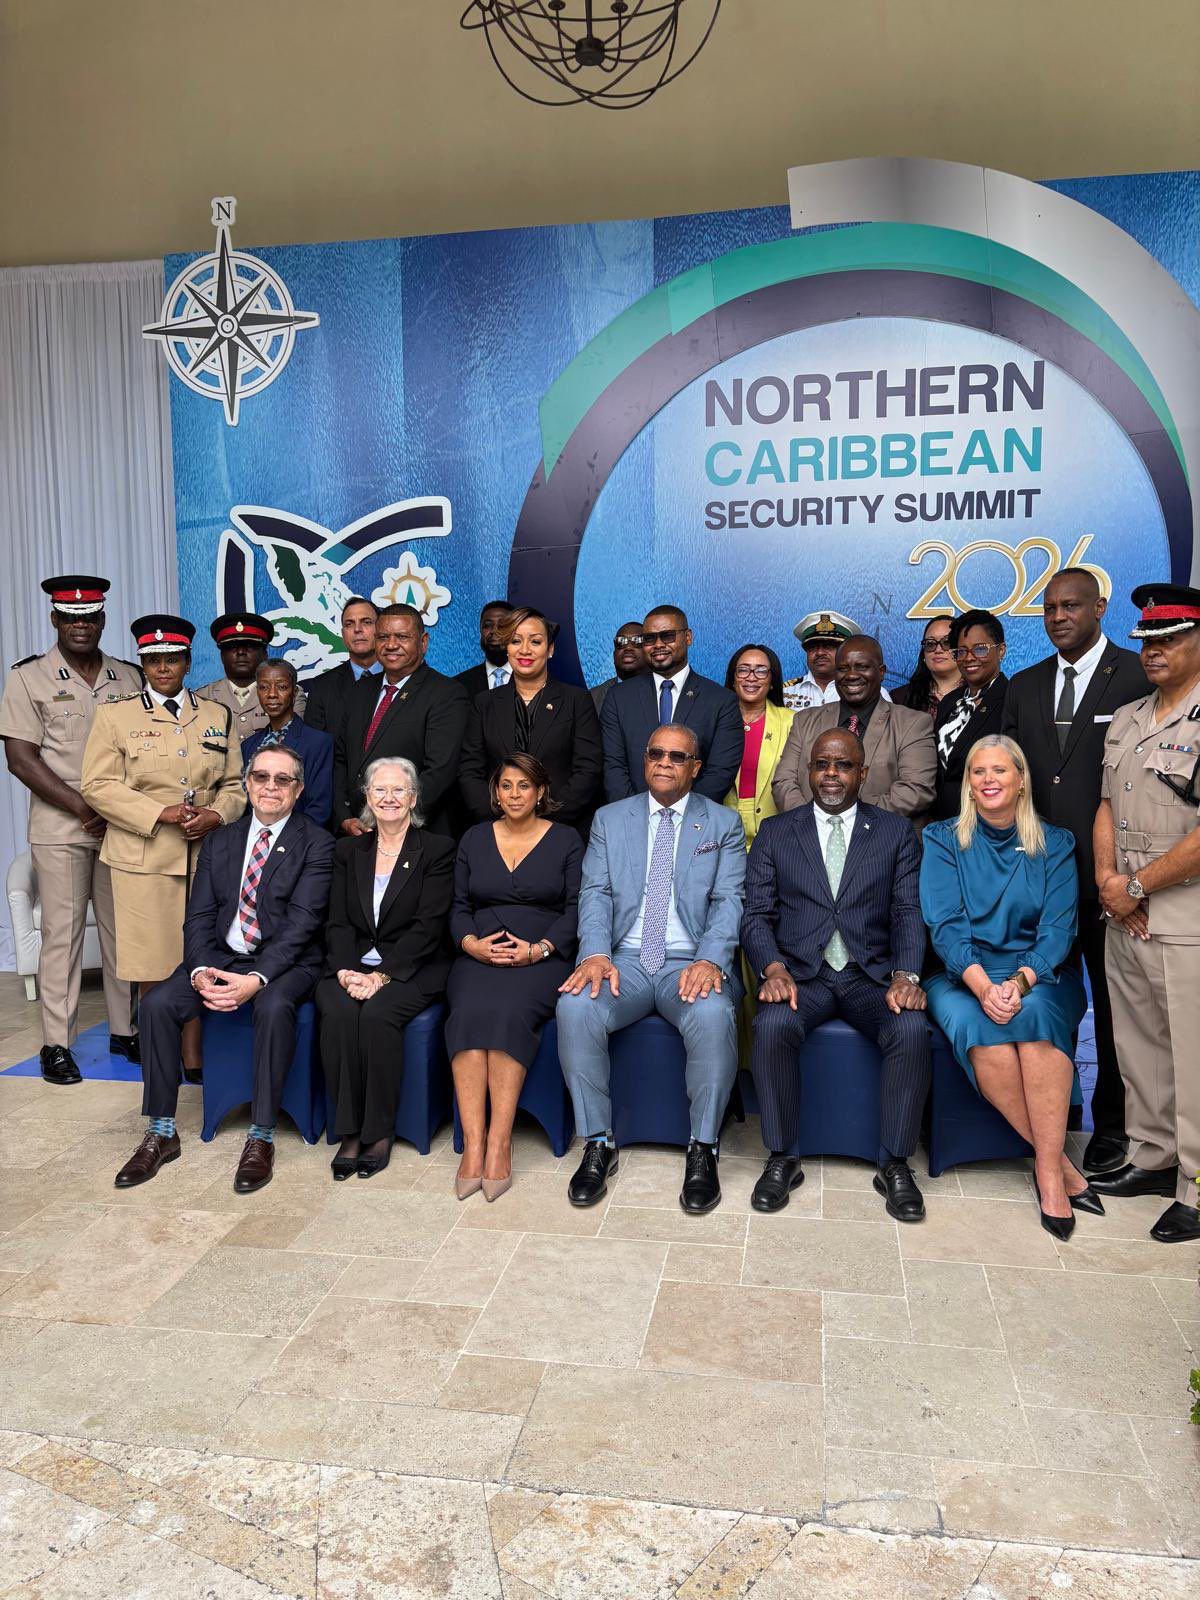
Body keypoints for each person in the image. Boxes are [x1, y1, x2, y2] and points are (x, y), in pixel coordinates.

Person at [112, 744, 334, 1193]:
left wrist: (256, 978)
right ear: (247, 784)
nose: (270, 787)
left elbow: (302, 925)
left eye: (283, 779)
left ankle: (261, 1136)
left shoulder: (318, 843)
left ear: (298, 790)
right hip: (218, 957)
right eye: (261, 777)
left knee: (272, 1007)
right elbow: (197, 916)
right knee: (157, 1004)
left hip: (286, 963)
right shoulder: (221, 840)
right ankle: (161, 1130)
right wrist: (199, 971)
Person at [741, 728, 931, 1219]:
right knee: (772, 1025)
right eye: (822, 764)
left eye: (843, 765)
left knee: (911, 1029)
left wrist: (906, 976)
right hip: (803, 976)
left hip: (870, 976)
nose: (831, 774)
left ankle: (894, 1162)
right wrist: (773, 968)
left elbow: (908, 911)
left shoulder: (893, 833)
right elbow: (756, 915)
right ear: (808, 771)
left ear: (862, 773)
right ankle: (782, 1156)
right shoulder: (776, 833)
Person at [556, 723, 746, 1214]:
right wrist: (594, 953)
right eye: (656, 753)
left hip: (690, 960)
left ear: (695, 768)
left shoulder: (722, 823)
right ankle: (598, 1142)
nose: (664, 763)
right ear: (644, 760)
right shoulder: (610, 819)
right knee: (575, 1006)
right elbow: (595, 893)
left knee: (713, 1014)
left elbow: (729, 900)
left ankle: (703, 1147)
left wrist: (710, 959)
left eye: (677, 757)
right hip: (624, 959)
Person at [1001, 568, 1147, 1173]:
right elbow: (1009, 777)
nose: (1059, 617)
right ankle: (1050, 1116)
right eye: (1050, 608)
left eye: (1071, 606)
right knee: (1045, 1000)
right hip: (1038, 880)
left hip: (1112, 883)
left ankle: (1114, 1126)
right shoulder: (1025, 684)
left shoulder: (1137, 675)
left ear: (1100, 607)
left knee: (1117, 1011)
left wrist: (1127, 880)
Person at [920, 736, 1093, 1238]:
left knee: (1034, 1017)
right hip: (962, 974)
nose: (988, 780)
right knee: (982, 1027)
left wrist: (1019, 981)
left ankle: (1047, 1176)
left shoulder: (1055, 843)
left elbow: (1058, 930)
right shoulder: (942, 839)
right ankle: (1057, 1165)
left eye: (999, 770)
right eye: (978, 772)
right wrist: (982, 987)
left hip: (1039, 973)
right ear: (968, 784)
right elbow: (946, 926)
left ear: (1021, 780)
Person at [81, 615, 247, 1081]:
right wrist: (159, 813)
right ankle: (160, 1058)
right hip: (143, 859)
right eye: (153, 660)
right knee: (152, 963)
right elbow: (97, 785)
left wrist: (217, 815)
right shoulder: (116, 715)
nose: (162, 668)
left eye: (171, 659)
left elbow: (235, 785)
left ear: (188, 662)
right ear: (143, 664)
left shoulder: (216, 715)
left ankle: (193, 1055)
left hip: (205, 859)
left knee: (201, 957)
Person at [1089, 583, 1200, 1245]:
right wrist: (1111, 884)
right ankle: (1155, 1157)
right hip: (1125, 910)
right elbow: (1107, 804)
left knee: (1193, 1053)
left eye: (1170, 640)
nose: (1154, 652)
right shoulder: (1129, 716)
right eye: (1147, 642)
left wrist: (1136, 885)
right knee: (1141, 1046)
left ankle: (1197, 1185)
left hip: (1185, 914)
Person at [0, 576, 143, 1084]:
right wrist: (83, 806)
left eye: (89, 617)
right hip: (61, 825)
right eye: (69, 617)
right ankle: (56, 1044)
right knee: (61, 935)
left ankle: (126, 1029)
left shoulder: (128, 676)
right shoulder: (28, 678)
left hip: (120, 825)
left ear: (102, 620)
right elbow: (21, 758)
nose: (80, 626)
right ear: (55, 620)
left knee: (123, 931)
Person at [447, 754, 582, 1200]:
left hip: (541, 958)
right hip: (478, 955)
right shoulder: (473, 838)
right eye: (506, 786)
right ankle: (474, 1145)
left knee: (507, 1011)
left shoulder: (566, 840)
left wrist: (539, 949)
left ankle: (500, 1143)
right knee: (467, 1011)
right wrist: (471, 943)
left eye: (524, 786)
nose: (515, 794)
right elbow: (458, 906)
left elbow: (577, 908)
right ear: (496, 792)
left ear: (540, 792)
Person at [317, 756, 454, 1179]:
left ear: (413, 798)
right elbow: (337, 921)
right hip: (351, 964)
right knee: (338, 1012)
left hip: (412, 967)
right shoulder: (348, 850)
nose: (389, 797)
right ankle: (349, 1132)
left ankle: (378, 1132)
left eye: (399, 790)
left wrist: (381, 975)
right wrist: (345, 971)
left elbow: (428, 926)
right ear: (367, 797)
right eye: (380, 789)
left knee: (377, 1015)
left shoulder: (436, 849)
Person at [458, 607, 602, 834]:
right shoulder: (484, 703)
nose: (524, 650)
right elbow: (469, 770)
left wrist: (543, 821)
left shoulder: (576, 700)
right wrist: (500, 818)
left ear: (550, 649)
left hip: (558, 829)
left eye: (535, 642)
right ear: (507, 648)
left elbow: (588, 770)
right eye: (516, 641)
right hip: (496, 829)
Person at [332, 603, 469, 838]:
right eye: (383, 637)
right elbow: (341, 759)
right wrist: (344, 815)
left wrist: (387, 817)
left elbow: (439, 772)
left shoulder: (447, 694)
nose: (391, 645)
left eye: (402, 637)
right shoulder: (360, 690)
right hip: (355, 833)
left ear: (423, 642)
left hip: (413, 834)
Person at [771, 636, 936, 819]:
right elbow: (783, 782)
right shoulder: (804, 720)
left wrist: (849, 821)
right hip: (809, 832)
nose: (851, 675)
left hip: (883, 834)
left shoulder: (913, 724)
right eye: (842, 668)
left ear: (881, 672)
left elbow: (916, 789)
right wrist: (814, 823)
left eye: (862, 667)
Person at [599, 604, 742, 804]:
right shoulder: (618, 697)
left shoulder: (721, 701)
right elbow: (613, 766)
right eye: (649, 638)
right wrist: (635, 815)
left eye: (667, 636)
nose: (658, 644)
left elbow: (720, 772)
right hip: (630, 817)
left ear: (688, 637)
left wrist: (680, 815)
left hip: (695, 819)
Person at [932, 609, 1009, 820]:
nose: (969, 658)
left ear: (1001, 650)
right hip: (943, 822)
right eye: (961, 651)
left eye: (980, 649)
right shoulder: (950, 702)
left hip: (987, 821)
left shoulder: (1013, 699)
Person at [241, 659, 334, 828]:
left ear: (295, 692)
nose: (272, 694)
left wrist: (281, 838)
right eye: (264, 687)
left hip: (300, 838)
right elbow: (246, 807)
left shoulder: (318, 742)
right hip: (256, 837)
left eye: (282, 687)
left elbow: (319, 808)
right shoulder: (249, 745)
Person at [723, 644, 795, 849]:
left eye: (761, 671)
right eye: (743, 670)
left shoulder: (791, 722)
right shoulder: (716, 719)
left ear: (772, 680)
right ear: (733, 678)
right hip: (722, 833)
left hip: (777, 835)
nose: (751, 677)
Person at [197, 612, 304, 742]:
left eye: (250, 645)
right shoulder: (201, 698)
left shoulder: (290, 695)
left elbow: (296, 742)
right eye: (232, 646)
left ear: (265, 654)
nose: (241, 652)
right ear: (222, 656)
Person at [301, 597, 380, 735]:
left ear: (381, 629)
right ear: (343, 634)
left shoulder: (400, 679)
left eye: (366, 622)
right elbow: (315, 744)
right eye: (349, 624)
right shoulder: (320, 687)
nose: (357, 629)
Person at [782, 610, 856, 710]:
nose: (820, 653)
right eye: (813, 647)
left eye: (828, 646)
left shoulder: (863, 691)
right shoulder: (786, 692)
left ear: (845, 651)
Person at [893, 615, 963, 717]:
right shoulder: (900, 698)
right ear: (924, 654)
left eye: (947, 642)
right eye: (930, 644)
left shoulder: (978, 694)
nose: (938, 650)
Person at [455, 599, 514, 700]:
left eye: (503, 625)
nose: (494, 631)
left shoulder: (532, 681)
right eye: (487, 626)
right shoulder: (459, 684)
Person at [591, 622, 647, 715]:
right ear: (614, 656)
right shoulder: (592, 697)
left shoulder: (664, 692)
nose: (628, 648)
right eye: (621, 642)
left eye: (638, 641)